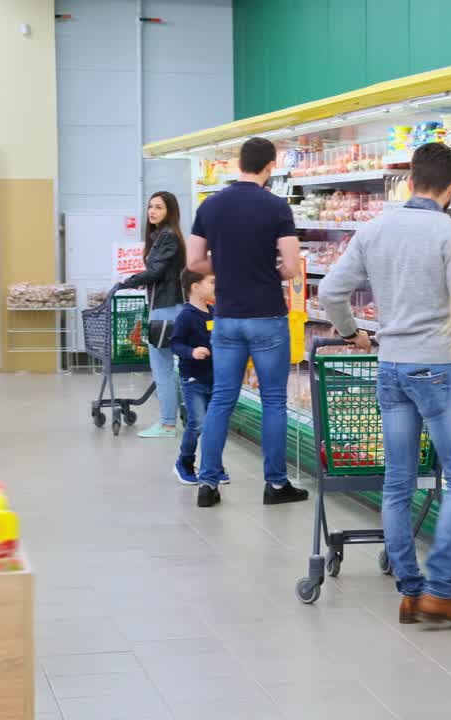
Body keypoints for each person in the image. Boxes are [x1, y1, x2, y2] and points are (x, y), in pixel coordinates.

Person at [321, 143, 451, 628]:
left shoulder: (372, 231)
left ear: (411, 179)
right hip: (439, 369)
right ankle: (442, 590)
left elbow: (331, 292)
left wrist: (352, 332)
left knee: (397, 483)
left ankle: (410, 592)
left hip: (389, 366)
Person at [186, 137, 307, 509]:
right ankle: (275, 484)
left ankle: (207, 484)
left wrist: (226, 268)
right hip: (267, 316)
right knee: (273, 400)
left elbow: (194, 261)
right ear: (270, 166)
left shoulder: (212, 205)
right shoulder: (276, 207)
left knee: (222, 398)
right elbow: (290, 266)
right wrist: (265, 271)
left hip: (226, 318)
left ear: (240, 164)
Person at [120, 191, 186, 438]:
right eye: (150, 206)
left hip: (166, 308)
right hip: (168, 305)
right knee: (169, 367)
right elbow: (161, 272)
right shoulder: (163, 235)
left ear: (170, 211)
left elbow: (156, 271)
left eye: (158, 207)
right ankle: (178, 417)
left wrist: (128, 281)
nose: (152, 211)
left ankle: (168, 424)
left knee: (162, 368)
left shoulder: (167, 236)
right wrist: (141, 281)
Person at [169, 270, 230, 487]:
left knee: (214, 424)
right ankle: (184, 463)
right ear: (195, 287)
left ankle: (213, 465)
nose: (216, 285)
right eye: (212, 282)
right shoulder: (186, 316)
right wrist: (192, 351)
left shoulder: (214, 312)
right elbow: (175, 343)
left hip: (216, 378)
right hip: (193, 378)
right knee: (197, 423)